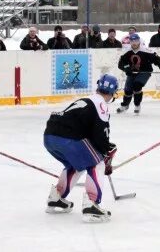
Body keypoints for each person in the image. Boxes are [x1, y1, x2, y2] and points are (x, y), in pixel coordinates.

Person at [43, 74, 119, 221]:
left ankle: (56, 197)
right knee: (97, 163)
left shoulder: (86, 99)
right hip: (70, 138)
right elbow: (101, 133)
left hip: (50, 136)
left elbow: (85, 128)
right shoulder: (101, 104)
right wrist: (105, 153)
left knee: (77, 164)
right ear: (112, 92)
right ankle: (91, 204)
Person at [116, 34, 160, 113]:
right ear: (130, 42)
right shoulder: (127, 52)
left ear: (139, 41)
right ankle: (125, 105)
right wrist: (126, 68)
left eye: (136, 41)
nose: (134, 43)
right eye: (132, 41)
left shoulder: (145, 50)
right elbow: (121, 64)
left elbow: (156, 59)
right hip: (132, 73)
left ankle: (137, 105)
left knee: (137, 85)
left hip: (145, 72)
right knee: (128, 89)